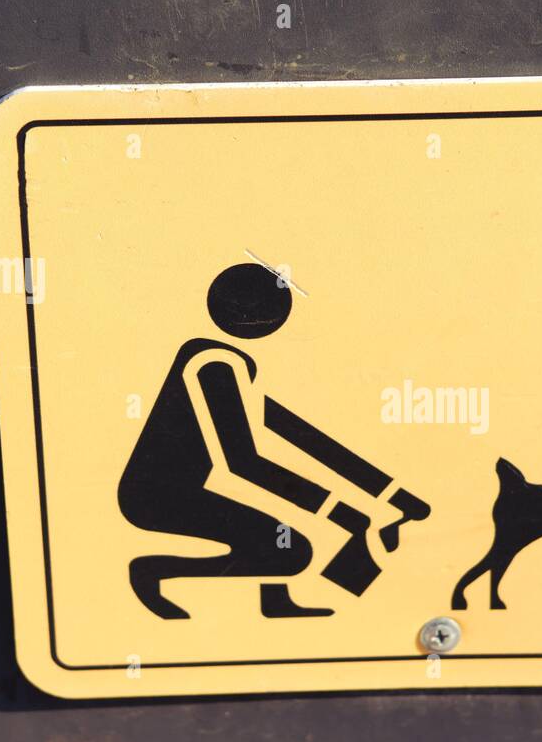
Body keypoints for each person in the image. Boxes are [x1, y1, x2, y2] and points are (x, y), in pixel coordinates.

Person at [118, 263, 429, 619]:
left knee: (277, 533)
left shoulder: (232, 363)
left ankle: (276, 600)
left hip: (182, 488)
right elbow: (242, 463)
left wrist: (392, 495)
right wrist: (343, 512)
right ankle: (154, 570)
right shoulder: (211, 363)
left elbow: (301, 436)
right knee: (289, 550)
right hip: (158, 493)